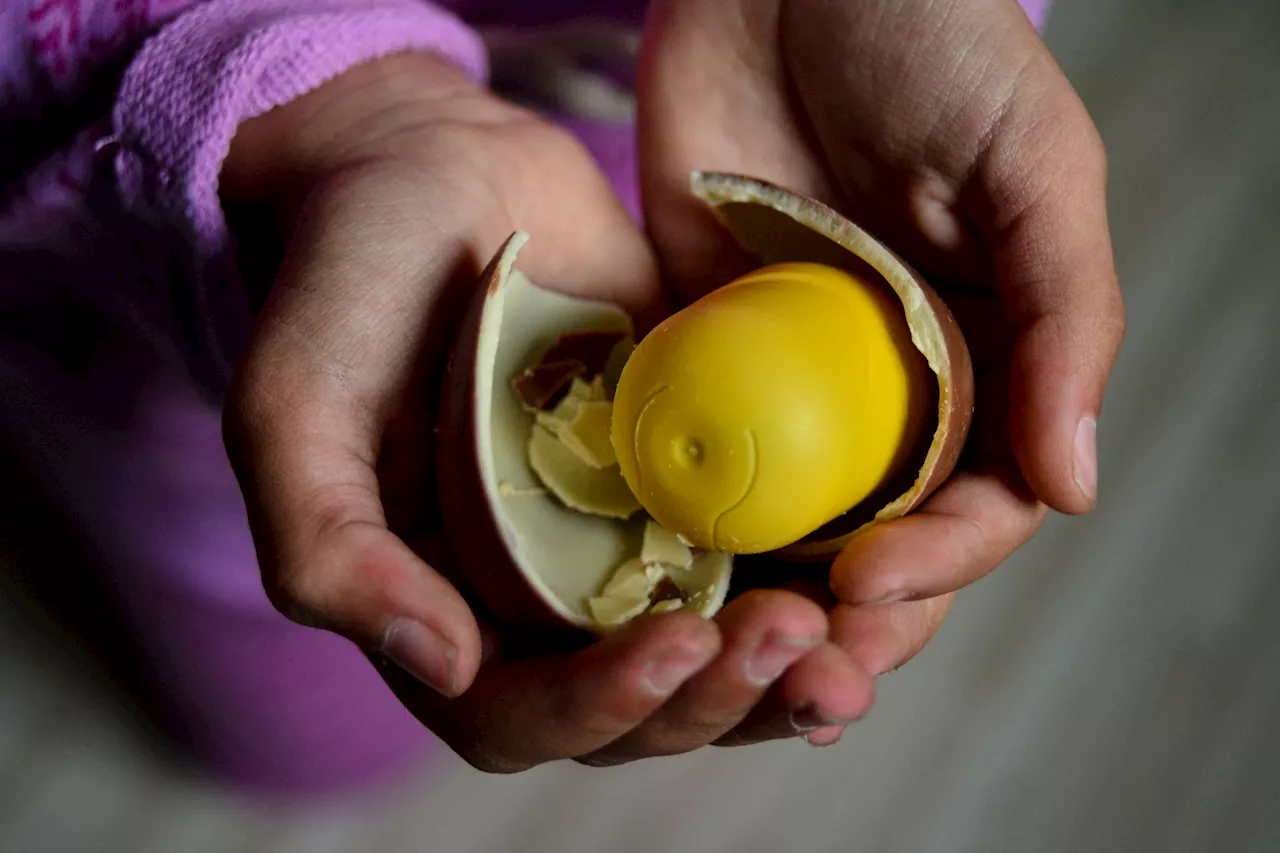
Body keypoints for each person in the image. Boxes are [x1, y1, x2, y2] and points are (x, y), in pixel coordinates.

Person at [0, 0, 1123, 793]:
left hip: (715, 127)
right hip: (178, 315)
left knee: (418, 654)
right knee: (288, 723)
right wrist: (331, 113)